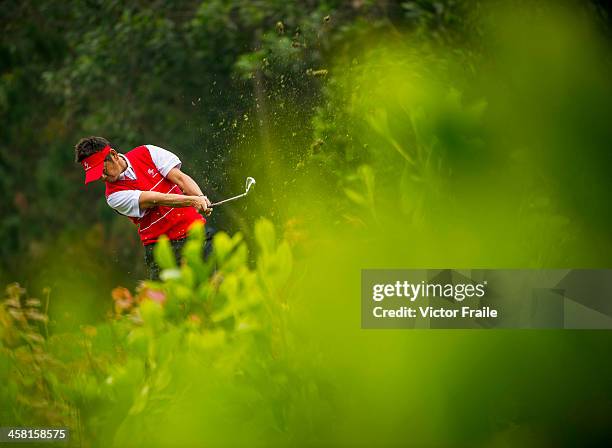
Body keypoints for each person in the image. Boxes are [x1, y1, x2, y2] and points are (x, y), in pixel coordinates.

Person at [74, 136, 213, 280]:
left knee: (210, 293)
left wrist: (200, 197)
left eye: (102, 170)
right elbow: (156, 199)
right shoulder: (113, 197)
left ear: (114, 155)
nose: (102, 177)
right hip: (163, 250)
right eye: (96, 175)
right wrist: (193, 201)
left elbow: (180, 178)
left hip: (196, 234)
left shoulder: (147, 152)